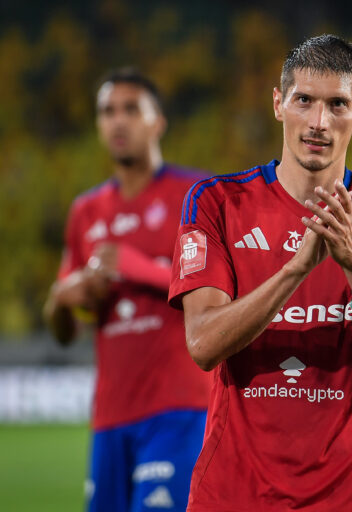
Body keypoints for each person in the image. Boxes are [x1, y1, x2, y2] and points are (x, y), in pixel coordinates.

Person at [168, 34, 352, 511]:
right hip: (234, 495)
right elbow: (203, 345)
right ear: (279, 104)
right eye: (304, 101)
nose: (319, 122)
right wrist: (296, 270)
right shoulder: (216, 202)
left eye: (338, 104)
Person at [43, 68, 211, 511]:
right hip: (111, 418)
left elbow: (220, 294)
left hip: (182, 409)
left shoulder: (197, 195)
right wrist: (62, 299)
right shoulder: (85, 211)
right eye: (107, 111)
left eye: (132, 109)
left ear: (158, 122)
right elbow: (62, 331)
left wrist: (137, 267)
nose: (118, 121)